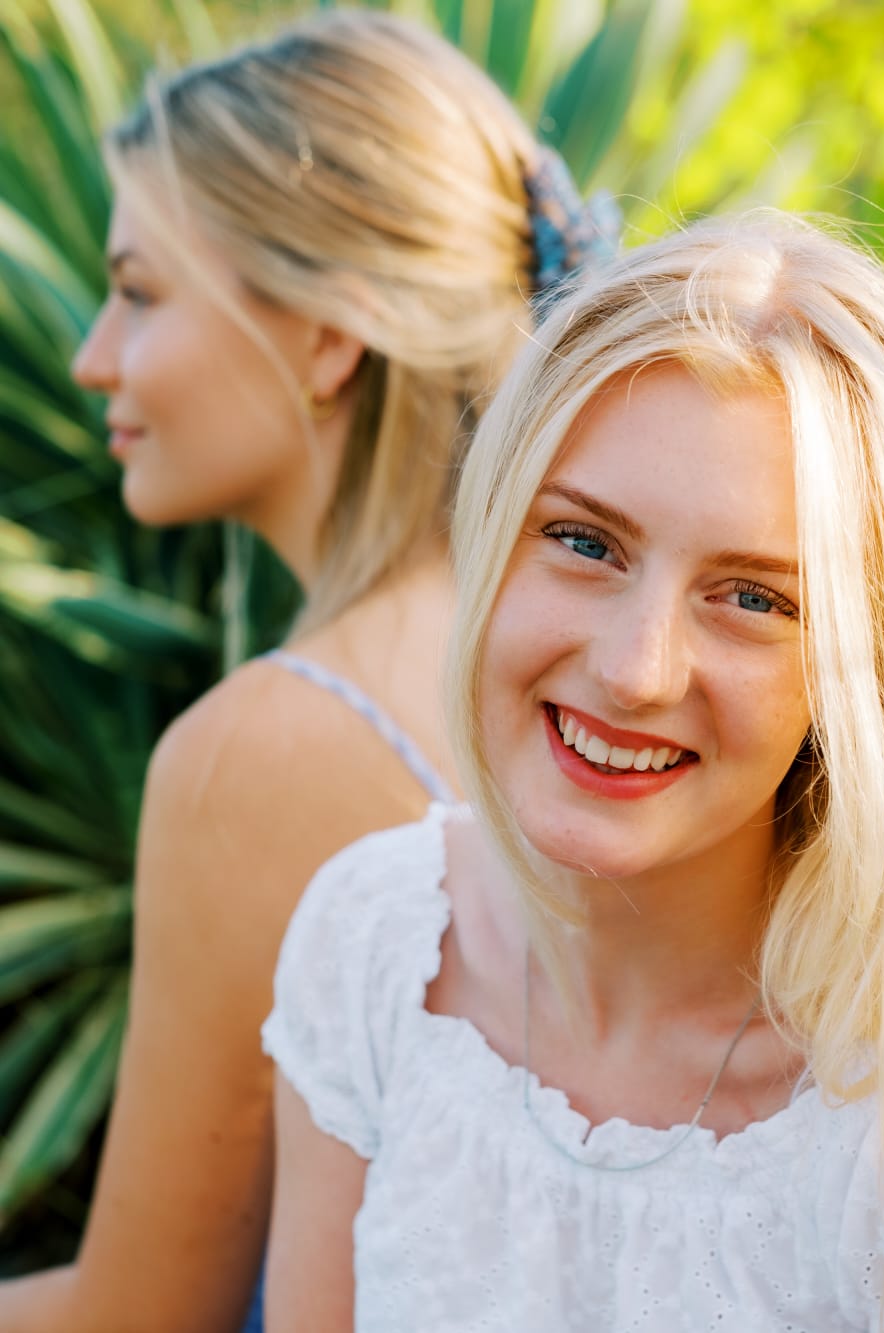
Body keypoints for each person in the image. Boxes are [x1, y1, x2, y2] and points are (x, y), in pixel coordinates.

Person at [263, 211, 884, 1331]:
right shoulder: (376, 942)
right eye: (584, 541)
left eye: (753, 598)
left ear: (865, 668)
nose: (636, 670)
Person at [0, 11, 616, 1333]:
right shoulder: (600, 665)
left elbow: (142, 1315)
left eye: (142, 290)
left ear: (332, 334)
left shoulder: (265, 749)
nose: (91, 354)